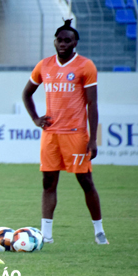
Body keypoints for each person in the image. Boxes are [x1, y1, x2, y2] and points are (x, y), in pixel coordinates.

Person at [22, 19, 108, 245]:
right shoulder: (44, 65)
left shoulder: (85, 66)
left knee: (86, 181)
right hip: (50, 135)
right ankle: (46, 235)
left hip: (76, 135)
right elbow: (27, 93)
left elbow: (93, 105)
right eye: (59, 40)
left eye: (67, 40)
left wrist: (93, 139)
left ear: (75, 43)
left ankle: (99, 231)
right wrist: (36, 118)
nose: (62, 44)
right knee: (48, 183)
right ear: (54, 41)